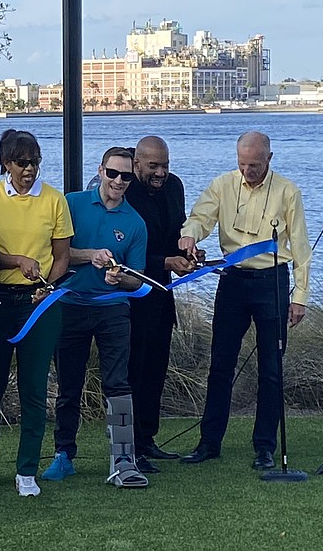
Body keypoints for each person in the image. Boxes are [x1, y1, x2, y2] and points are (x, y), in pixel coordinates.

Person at [179, 131, 312, 470]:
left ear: (269, 158)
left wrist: (300, 297)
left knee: (271, 369)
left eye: (254, 164)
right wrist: (189, 235)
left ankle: (265, 448)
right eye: (242, 164)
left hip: (272, 282)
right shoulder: (222, 185)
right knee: (220, 365)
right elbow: (200, 217)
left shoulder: (287, 191)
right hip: (233, 283)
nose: (248, 170)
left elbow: (300, 248)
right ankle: (209, 442)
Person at [42, 146, 149, 489]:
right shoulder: (71, 204)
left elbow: (138, 277)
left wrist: (122, 277)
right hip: (71, 304)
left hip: (114, 309)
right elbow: (55, 252)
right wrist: (89, 256)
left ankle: (122, 459)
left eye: (126, 176)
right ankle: (63, 455)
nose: (118, 181)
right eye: (113, 173)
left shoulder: (135, 222)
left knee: (117, 384)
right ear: (101, 170)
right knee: (69, 385)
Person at [0, 129, 73, 497]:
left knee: (34, 389)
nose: (29, 170)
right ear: (6, 163)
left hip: (40, 303)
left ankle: (27, 470)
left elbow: (62, 255)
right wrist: (16, 260)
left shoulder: (53, 200)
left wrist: (46, 285)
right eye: (21, 163)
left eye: (34, 162)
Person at [124, 137, 196, 473]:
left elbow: (176, 232)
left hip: (162, 296)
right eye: (153, 166)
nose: (161, 172)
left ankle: (148, 438)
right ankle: (129, 448)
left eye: (165, 165)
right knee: (131, 372)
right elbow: (125, 256)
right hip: (130, 296)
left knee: (155, 368)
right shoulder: (124, 189)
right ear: (136, 163)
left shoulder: (174, 187)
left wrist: (187, 254)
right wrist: (166, 262)